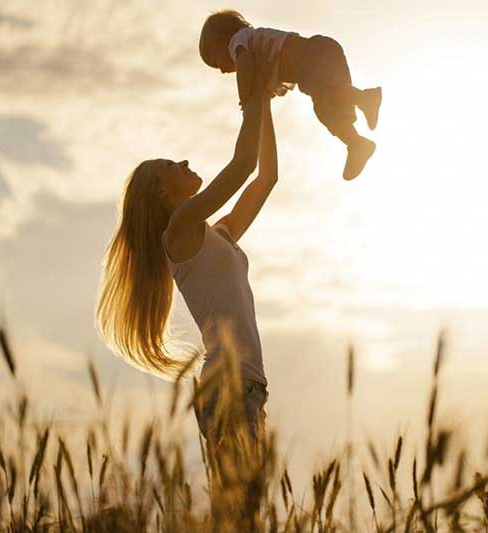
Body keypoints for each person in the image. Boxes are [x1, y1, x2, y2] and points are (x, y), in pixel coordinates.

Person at [95, 47, 277, 447]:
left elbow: (265, 178)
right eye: (170, 165)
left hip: (246, 387)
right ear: (161, 192)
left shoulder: (216, 236)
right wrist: (251, 97)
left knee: (243, 511)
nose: (183, 162)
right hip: (228, 387)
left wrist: (262, 97)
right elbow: (242, 166)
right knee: (239, 509)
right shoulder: (178, 232)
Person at [199, 9, 382, 180]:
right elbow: (265, 79)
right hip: (320, 55)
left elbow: (245, 67)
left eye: (217, 62)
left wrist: (244, 97)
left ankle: (365, 100)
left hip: (313, 56)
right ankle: (356, 142)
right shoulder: (257, 45)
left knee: (330, 97)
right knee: (329, 110)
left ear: (223, 40)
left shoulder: (238, 41)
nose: (222, 70)